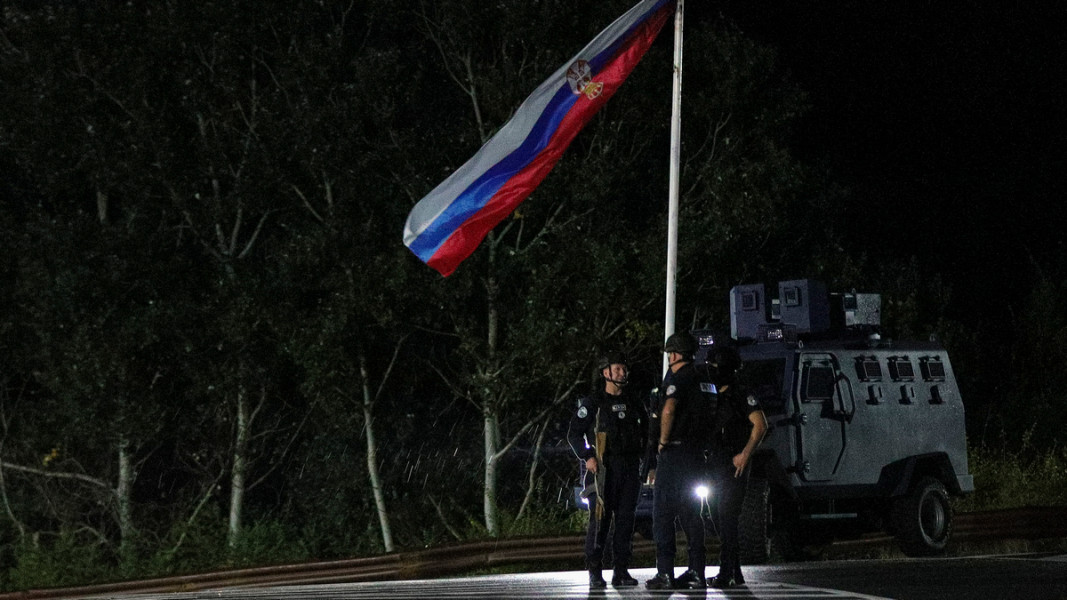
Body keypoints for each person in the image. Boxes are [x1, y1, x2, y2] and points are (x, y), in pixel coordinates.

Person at [567, 351, 648, 589]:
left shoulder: (634, 401)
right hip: (603, 469)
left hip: (630, 468)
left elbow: (646, 435)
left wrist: (649, 463)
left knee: (625, 522)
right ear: (606, 373)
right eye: (618, 369)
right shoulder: (593, 403)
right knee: (600, 522)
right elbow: (574, 433)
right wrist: (587, 456)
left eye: (624, 369)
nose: (623, 373)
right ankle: (595, 571)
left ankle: (621, 570)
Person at [645, 331, 708, 590]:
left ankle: (665, 572)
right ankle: (696, 571)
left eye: (670, 353)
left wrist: (662, 442)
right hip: (696, 455)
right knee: (692, 514)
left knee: (663, 514)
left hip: (675, 453)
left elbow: (668, 409)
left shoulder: (678, 378)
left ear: (675, 354)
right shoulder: (704, 379)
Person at [705, 344, 768, 588]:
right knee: (716, 516)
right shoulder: (711, 394)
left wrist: (745, 454)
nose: (710, 370)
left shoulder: (741, 393)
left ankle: (727, 572)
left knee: (727, 517)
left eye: (714, 366)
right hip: (715, 462)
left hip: (734, 463)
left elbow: (760, 425)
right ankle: (735, 570)